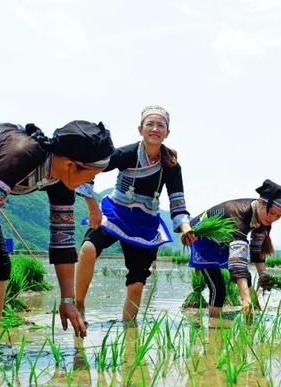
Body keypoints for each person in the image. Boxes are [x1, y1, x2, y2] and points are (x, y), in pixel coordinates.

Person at [0, 120, 114, 345]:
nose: (91, 183)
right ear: (72, 165)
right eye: (92, 175)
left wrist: (67, 300)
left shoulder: (61, 180)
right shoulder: (20, 155)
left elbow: (62, 240)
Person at [75, 106, 194, 324]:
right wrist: (92, 206)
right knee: (88, 249)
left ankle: (129, 334)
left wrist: (186, 228)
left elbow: (177, 202)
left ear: (167, 132)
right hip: (116, 213)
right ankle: (79, 305)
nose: (155, 129)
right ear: (140, 129)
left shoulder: (171, 166)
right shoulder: (126, 154)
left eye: (161, 125)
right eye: (150, 124)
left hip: (145, 223)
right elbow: (89, 169)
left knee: (137, 284)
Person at [188, 179, 281, 318]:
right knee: (218, 288)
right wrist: (245, 298)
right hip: (203, 239)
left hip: (225, 240)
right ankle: (214, 329)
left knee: (247, 278)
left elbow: (257, 248)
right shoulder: (238, 215)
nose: (273, 218)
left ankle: (255, 317)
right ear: (261, 202)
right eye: (272, 213)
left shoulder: (264, 219)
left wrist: (263, 274)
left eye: (278, 216)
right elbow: (238, 262)